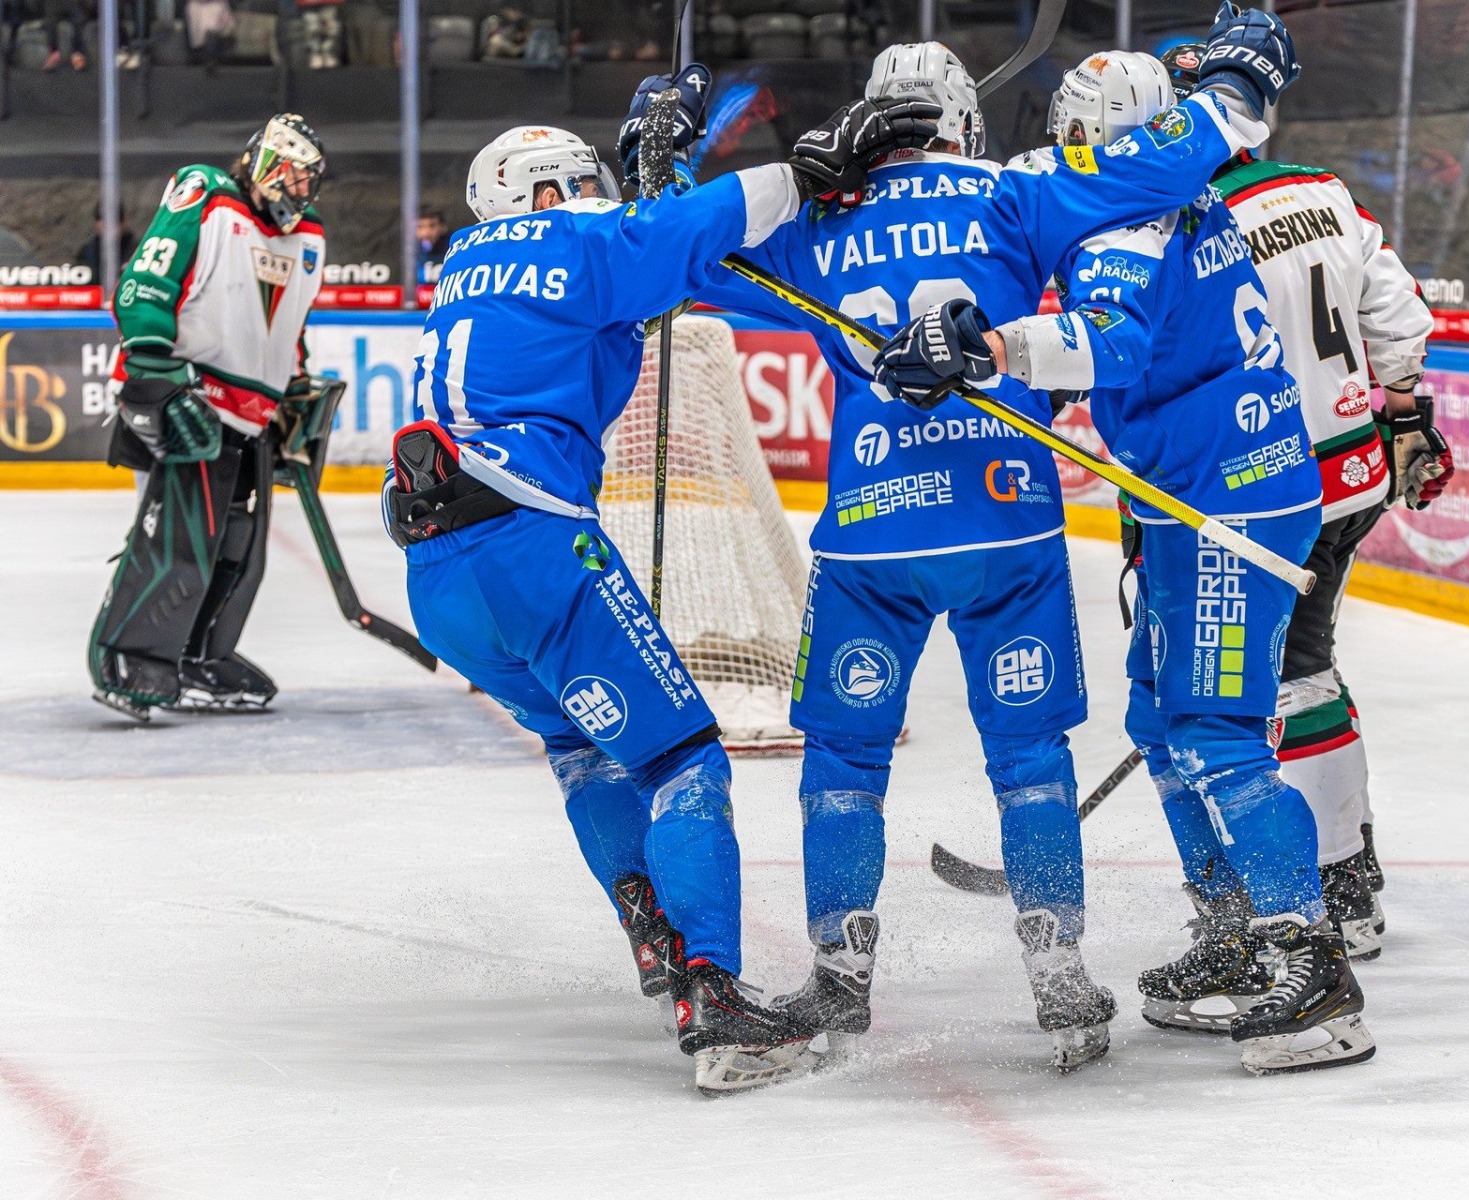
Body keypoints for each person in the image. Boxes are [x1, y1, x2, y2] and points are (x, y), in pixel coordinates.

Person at [691, 16, 1288, 1072]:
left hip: (868, 536)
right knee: (1029, 760)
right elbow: (1164, 169)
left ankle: (838, 978)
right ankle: (1060, 976)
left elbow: (682, 251)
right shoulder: (1017, 191)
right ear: (965, 121)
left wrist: (709, 166)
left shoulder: (818, 217)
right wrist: (1232, 86)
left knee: (842, 763)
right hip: (1009, 524)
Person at [386, 78, 938, 1093]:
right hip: (533, 547)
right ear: (549, 195)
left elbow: (649, 275)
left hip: (441, 578)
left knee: (581, 753)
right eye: (584, 185)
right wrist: (815, 161)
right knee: (685, 760)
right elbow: (702, 221)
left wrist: (653, 169)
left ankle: (655, 936)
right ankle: (717, 1003)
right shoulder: (568, 245)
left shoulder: (465, 266)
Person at [885, 30, 1373, 1077]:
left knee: (1215, 733)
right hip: (1207, 492)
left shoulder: (1124, 224)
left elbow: (1105, 341)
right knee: (1161, 718)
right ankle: (1234, 932)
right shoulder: (1178, 168)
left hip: (1223, 507)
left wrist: (991, 348)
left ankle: (1311, 965)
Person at [1153, 40, 1444, 964]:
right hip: (1352, 473)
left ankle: (1336, 888)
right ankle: (1344, 876)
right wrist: (1405, 410)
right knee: (1302, 667)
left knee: (1284, 681)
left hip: (1264, 487)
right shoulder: (1325, 190)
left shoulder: (1192, 216)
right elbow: (1398, 319)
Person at [89, 114, 330, 721]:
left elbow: (285, 325)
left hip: (250, 418)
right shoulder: (207, 194)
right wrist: (156, 378)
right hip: (187, 398)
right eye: (287, 172)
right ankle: (131, 655)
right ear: (257, 161)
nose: (296, 188)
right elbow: (146, 281)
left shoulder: (309, 240)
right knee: (180, 538)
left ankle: (197, 657)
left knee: (239, 549)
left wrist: (294, 385)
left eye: (308, 179)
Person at [414, 208, 449, 285]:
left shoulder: (453, 250)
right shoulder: (407, 252)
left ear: (443, 227)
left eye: (432, 226)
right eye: (420, 227)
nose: (426, 233)